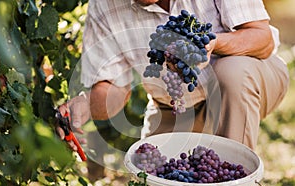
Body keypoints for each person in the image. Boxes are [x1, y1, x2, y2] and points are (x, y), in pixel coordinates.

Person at [56, 0, 289, 171]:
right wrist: (84, 104)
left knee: (232, 72)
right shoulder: (104, 6)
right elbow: (114, 90)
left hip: (251, 81)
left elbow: (263, 39)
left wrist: (213, 43)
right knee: (155, 179)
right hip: (175, 108)